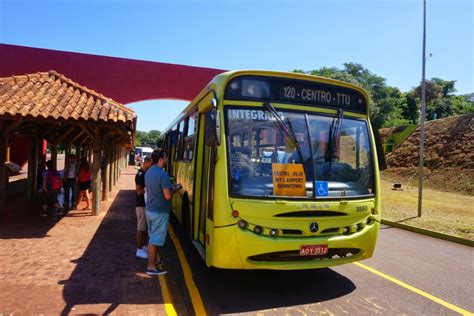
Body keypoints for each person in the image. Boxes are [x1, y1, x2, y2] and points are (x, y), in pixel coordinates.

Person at [144, 149, 178, 275]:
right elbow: (168, 196)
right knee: (154, 240)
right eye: (166, 157)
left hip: (150, 209)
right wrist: (174, 189)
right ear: (161, 158)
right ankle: (151, 267)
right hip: (159, 212)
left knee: (152, 237)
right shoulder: (163, 175)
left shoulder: (148, 172)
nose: (167, 160)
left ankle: (154, 261)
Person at [135, 156, 152, 259]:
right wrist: (149, 188)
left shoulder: (145, 173)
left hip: (146, 204)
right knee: (140, 228)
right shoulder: (140, 175)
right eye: (151, 163)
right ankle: (139, 249)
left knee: (145, 228)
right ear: (146, 162)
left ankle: (144, 246)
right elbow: (138, 191)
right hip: (141, 204)